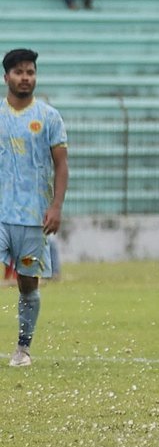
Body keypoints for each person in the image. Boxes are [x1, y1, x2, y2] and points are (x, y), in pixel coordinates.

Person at [1, 49, 68, 368]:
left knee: (28, 284)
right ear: (6, 78)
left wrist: (55, 206)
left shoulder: (49, 117)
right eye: (18, 72)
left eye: (30, 72)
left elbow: (61, 164)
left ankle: (22, 349)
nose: (25, 77)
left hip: (31, 219)